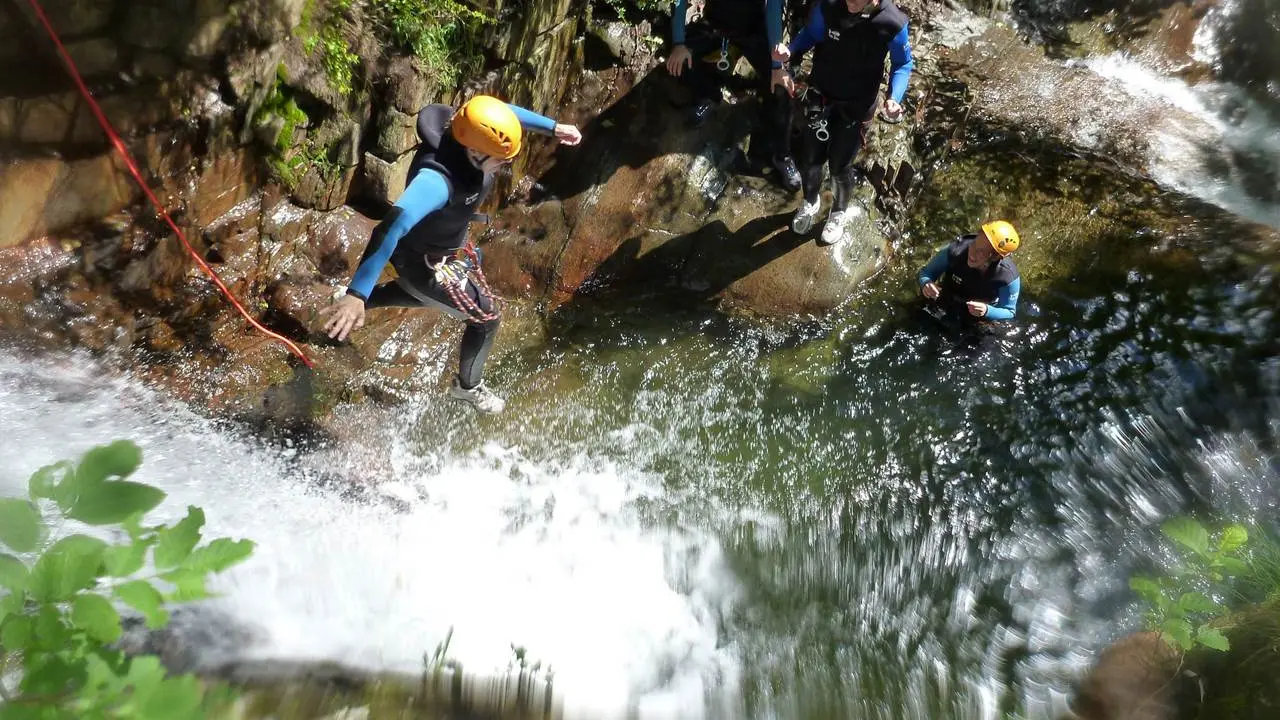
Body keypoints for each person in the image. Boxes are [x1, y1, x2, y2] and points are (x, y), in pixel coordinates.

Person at [321, 95, 583, 414]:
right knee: (486, 318)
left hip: (438, 253)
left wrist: (554, 128)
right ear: (474, 151)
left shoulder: (465, 125)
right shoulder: (437, 182)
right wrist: (356, 292)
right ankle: (468, 388)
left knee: (422, 297)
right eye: (500, 158)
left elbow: (503, 115)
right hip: (423, 264)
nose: (506, 163)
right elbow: (389, 229)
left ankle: (356, 305)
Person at [773, 0, 914, 245]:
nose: (850, 4)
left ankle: (838, 212)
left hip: (856, 107)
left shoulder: (891, 22)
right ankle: (810, 201)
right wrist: (791, 49)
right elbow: (812, 34)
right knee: (811, 159)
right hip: (822, 97)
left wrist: (894, 98)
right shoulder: (828, 6)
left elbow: (903, 63)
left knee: (839, 166)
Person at [666, 0, 801, 192]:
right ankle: (709, 96)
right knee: (678, 59)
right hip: (715, 26)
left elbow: (773, 7)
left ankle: (783, 155)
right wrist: (678, 43)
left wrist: (776, 67)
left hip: (755, 31)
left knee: (783, 88)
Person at [917, 220, 1022, 321]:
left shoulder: (1007, 277)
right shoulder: (955, 250)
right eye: (974, 244)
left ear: (995, 257)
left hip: (977, 316)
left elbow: (1009, 311)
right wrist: (926, 283)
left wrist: (987, 311)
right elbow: (926, 272)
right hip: (945, 298)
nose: (972, 253)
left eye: (981, 251)